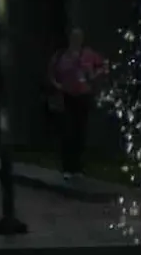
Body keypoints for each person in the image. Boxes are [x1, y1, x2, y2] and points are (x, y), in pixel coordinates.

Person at [45, 27, 109, 178]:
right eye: (74, 37)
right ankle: (68, 167)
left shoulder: (88, 54)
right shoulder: (62, 56)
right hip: (67, 96)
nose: (76, 40)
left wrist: (93, 76)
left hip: (83, 96)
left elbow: (104, 66)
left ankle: (78, 167)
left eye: (79, 37)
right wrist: (58, 85)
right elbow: (51, 73)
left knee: (80, 132)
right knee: (68, 131)